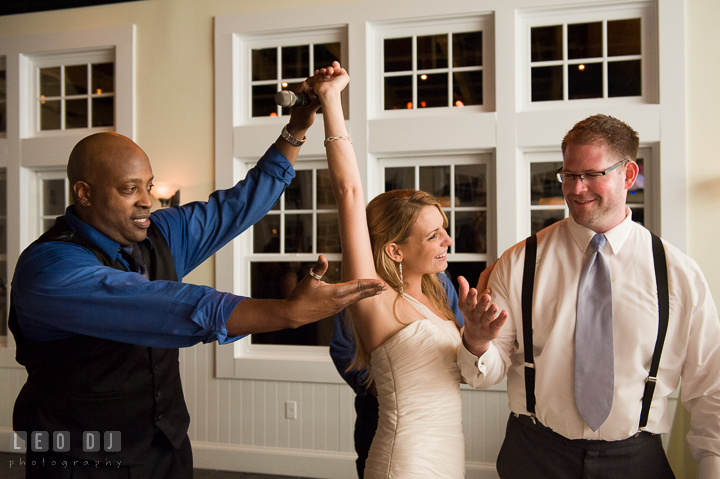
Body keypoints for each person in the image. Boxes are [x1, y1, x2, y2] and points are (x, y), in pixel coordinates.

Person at [9, 95, 386, 479]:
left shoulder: (160, 234)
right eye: (129, 189)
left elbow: (238, 206)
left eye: (149, 186)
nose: (147, 201)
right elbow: (163, 305)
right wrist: (286, 313)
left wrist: (296, 129)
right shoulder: (49, 268)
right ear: (84, 193)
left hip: (165, 448)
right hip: (81, 460)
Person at [457, 114, 720, 478]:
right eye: (568, 175)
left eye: (592, 175)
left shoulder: (679, 274)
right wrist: (476, 342)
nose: (576, 189)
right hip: (534, 454)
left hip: (636, 461)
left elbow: (710, 388)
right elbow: (485, 373)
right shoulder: (519, 262)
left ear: (628, 175)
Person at [311, 62, 496, 479]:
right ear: (394, 250)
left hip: (448, 452)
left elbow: (466, 373)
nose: (448, 242)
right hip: (406, 458)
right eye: (433, 236)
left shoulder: (437, 294)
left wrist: (477, 340)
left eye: (444, 231)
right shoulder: (374, 298)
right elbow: (349, 191)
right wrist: (331, 98)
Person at [330, 270, 465, 478]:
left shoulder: (443, 285)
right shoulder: (365, 284)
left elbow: (459, 341)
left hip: (442, 427)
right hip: (379, 412)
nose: (447, 242)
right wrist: (375, 384)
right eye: (432, 236)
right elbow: (342, 347)